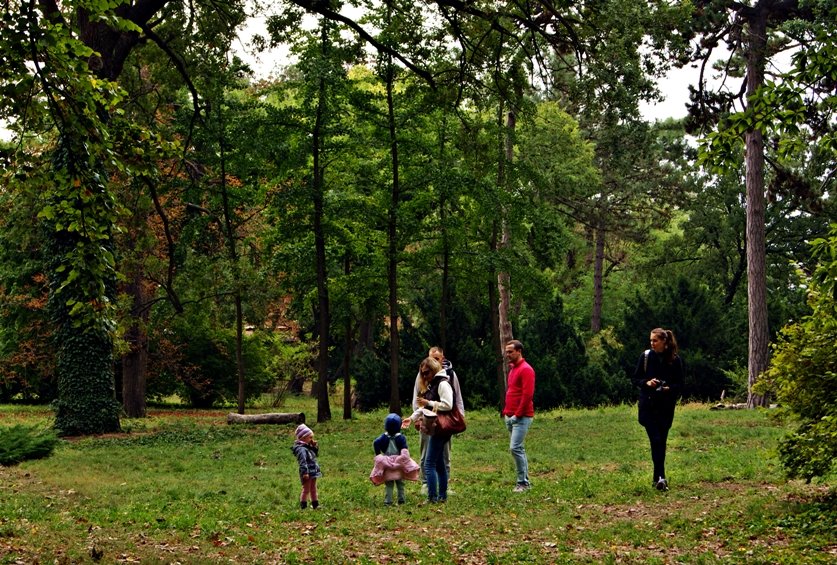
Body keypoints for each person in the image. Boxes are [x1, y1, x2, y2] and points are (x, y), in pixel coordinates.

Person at [632, 327, 684, 492]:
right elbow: (635, 378)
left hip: (666, 407)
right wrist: (646, 383)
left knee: (661, 441)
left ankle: (658, 478)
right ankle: (661, 476)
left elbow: (680, 384)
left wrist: (668, 388)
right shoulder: (646, 357)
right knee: (655, 439)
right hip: (648, 405)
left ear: (665, 342)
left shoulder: (675, 361)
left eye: (655, 340)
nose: (652, 344)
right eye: (651, 341)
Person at [410, 346, 464, 495]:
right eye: (430, 358)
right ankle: (428, 485)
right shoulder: (424, 377)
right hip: (427, 422)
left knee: (439, 459)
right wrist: (415, 417)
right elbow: (418, 400)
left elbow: (454, 401)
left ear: (442, 359)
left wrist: (459, 420)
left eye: (436, 359)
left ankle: (439, 491)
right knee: (427, 456)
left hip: (442, 424)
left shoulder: (447, 378)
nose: (432, 361)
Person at [402, 356, 453, 503]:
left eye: (427, 373)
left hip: (441, 428)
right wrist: (411, 418)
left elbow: (448, 405)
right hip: (434, 427)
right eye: (422, 373)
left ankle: (432, 497)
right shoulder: (432, 384)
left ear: (434, 370)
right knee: (439, 464)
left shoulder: (443, 384)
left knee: (429, 464)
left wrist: (428, 402)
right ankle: (442, 496)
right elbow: (424, 408)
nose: (424, 376)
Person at [502, 339, 535, 493]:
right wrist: (506, 413)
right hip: (510, 415)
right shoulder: (513, 369)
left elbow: (527, 395)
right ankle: (523, 480)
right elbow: (512, 391)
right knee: (517, 448)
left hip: (521, 417)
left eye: (510, 351)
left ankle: (523, 482)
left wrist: (517, 414)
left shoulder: (526, 369)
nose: (507, 354)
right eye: (506, 351)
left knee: (515, 448)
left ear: (519, 351)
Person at [370, 413, 420, 505]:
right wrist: (403, 459)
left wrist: (379, 455)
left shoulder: (383, 437)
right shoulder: (401, 438)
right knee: (400, 482)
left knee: (389, 483)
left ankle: (388, 501)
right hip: (398, 463)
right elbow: (404, 451)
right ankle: (401, 499)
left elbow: (376, 443)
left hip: (387, 462)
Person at [291, 423, 322, 509]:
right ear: (303, 438)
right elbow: (302, 461)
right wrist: (305, 472)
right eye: (310, 437)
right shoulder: (301, 449)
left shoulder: (307, 446)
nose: (312, 439)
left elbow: (315, 455)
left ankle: (315, 504)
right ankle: (303, 506)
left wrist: (314, 446)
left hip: (313, 471)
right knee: (306, 489)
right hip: (307, 472)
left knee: (313, 488)